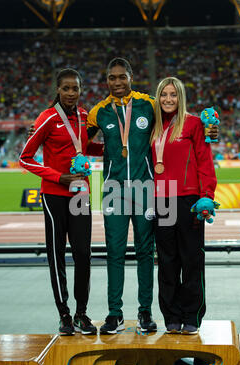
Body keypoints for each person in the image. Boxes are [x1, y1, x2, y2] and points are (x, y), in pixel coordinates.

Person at [19, 68, 103, 336]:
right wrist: (58, 177)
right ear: (58, 90)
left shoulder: (85, 117)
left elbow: (85, 147)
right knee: (57, 256)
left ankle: (81, 313)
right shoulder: (46, 118)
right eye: (65, 88)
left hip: (81, 194)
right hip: (55, 195)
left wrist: (114, 147)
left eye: (75, 89)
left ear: (81, 90)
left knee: (83, 255)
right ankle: (64, 314)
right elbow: (25, 157)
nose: (70, 93)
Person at [87, 58, 157, 334]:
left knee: (145, 252)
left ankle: (145, 313)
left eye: (122, 77)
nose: (117, 83)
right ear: (107, 80)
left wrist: (207, 127)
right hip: (113, 190)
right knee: (114, 253)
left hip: (144, 188)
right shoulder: (99, 111)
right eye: (112, 78)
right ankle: (114, 314)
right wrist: (40, 132)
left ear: (131, 76)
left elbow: (177, 119)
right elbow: (77, 141)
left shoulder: (148, 104)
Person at [150, 76, 217, 335]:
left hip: (189, 200)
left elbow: (204, 161)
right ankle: (171, 314)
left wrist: (207, 194)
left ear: (181, 97)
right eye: (164, 94)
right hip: (161, 198)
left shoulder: (194, 123)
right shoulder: (152, 125)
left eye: (173, 94)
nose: (168, 99)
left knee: (191, 259)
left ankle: (192, 314)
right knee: (167, 260)